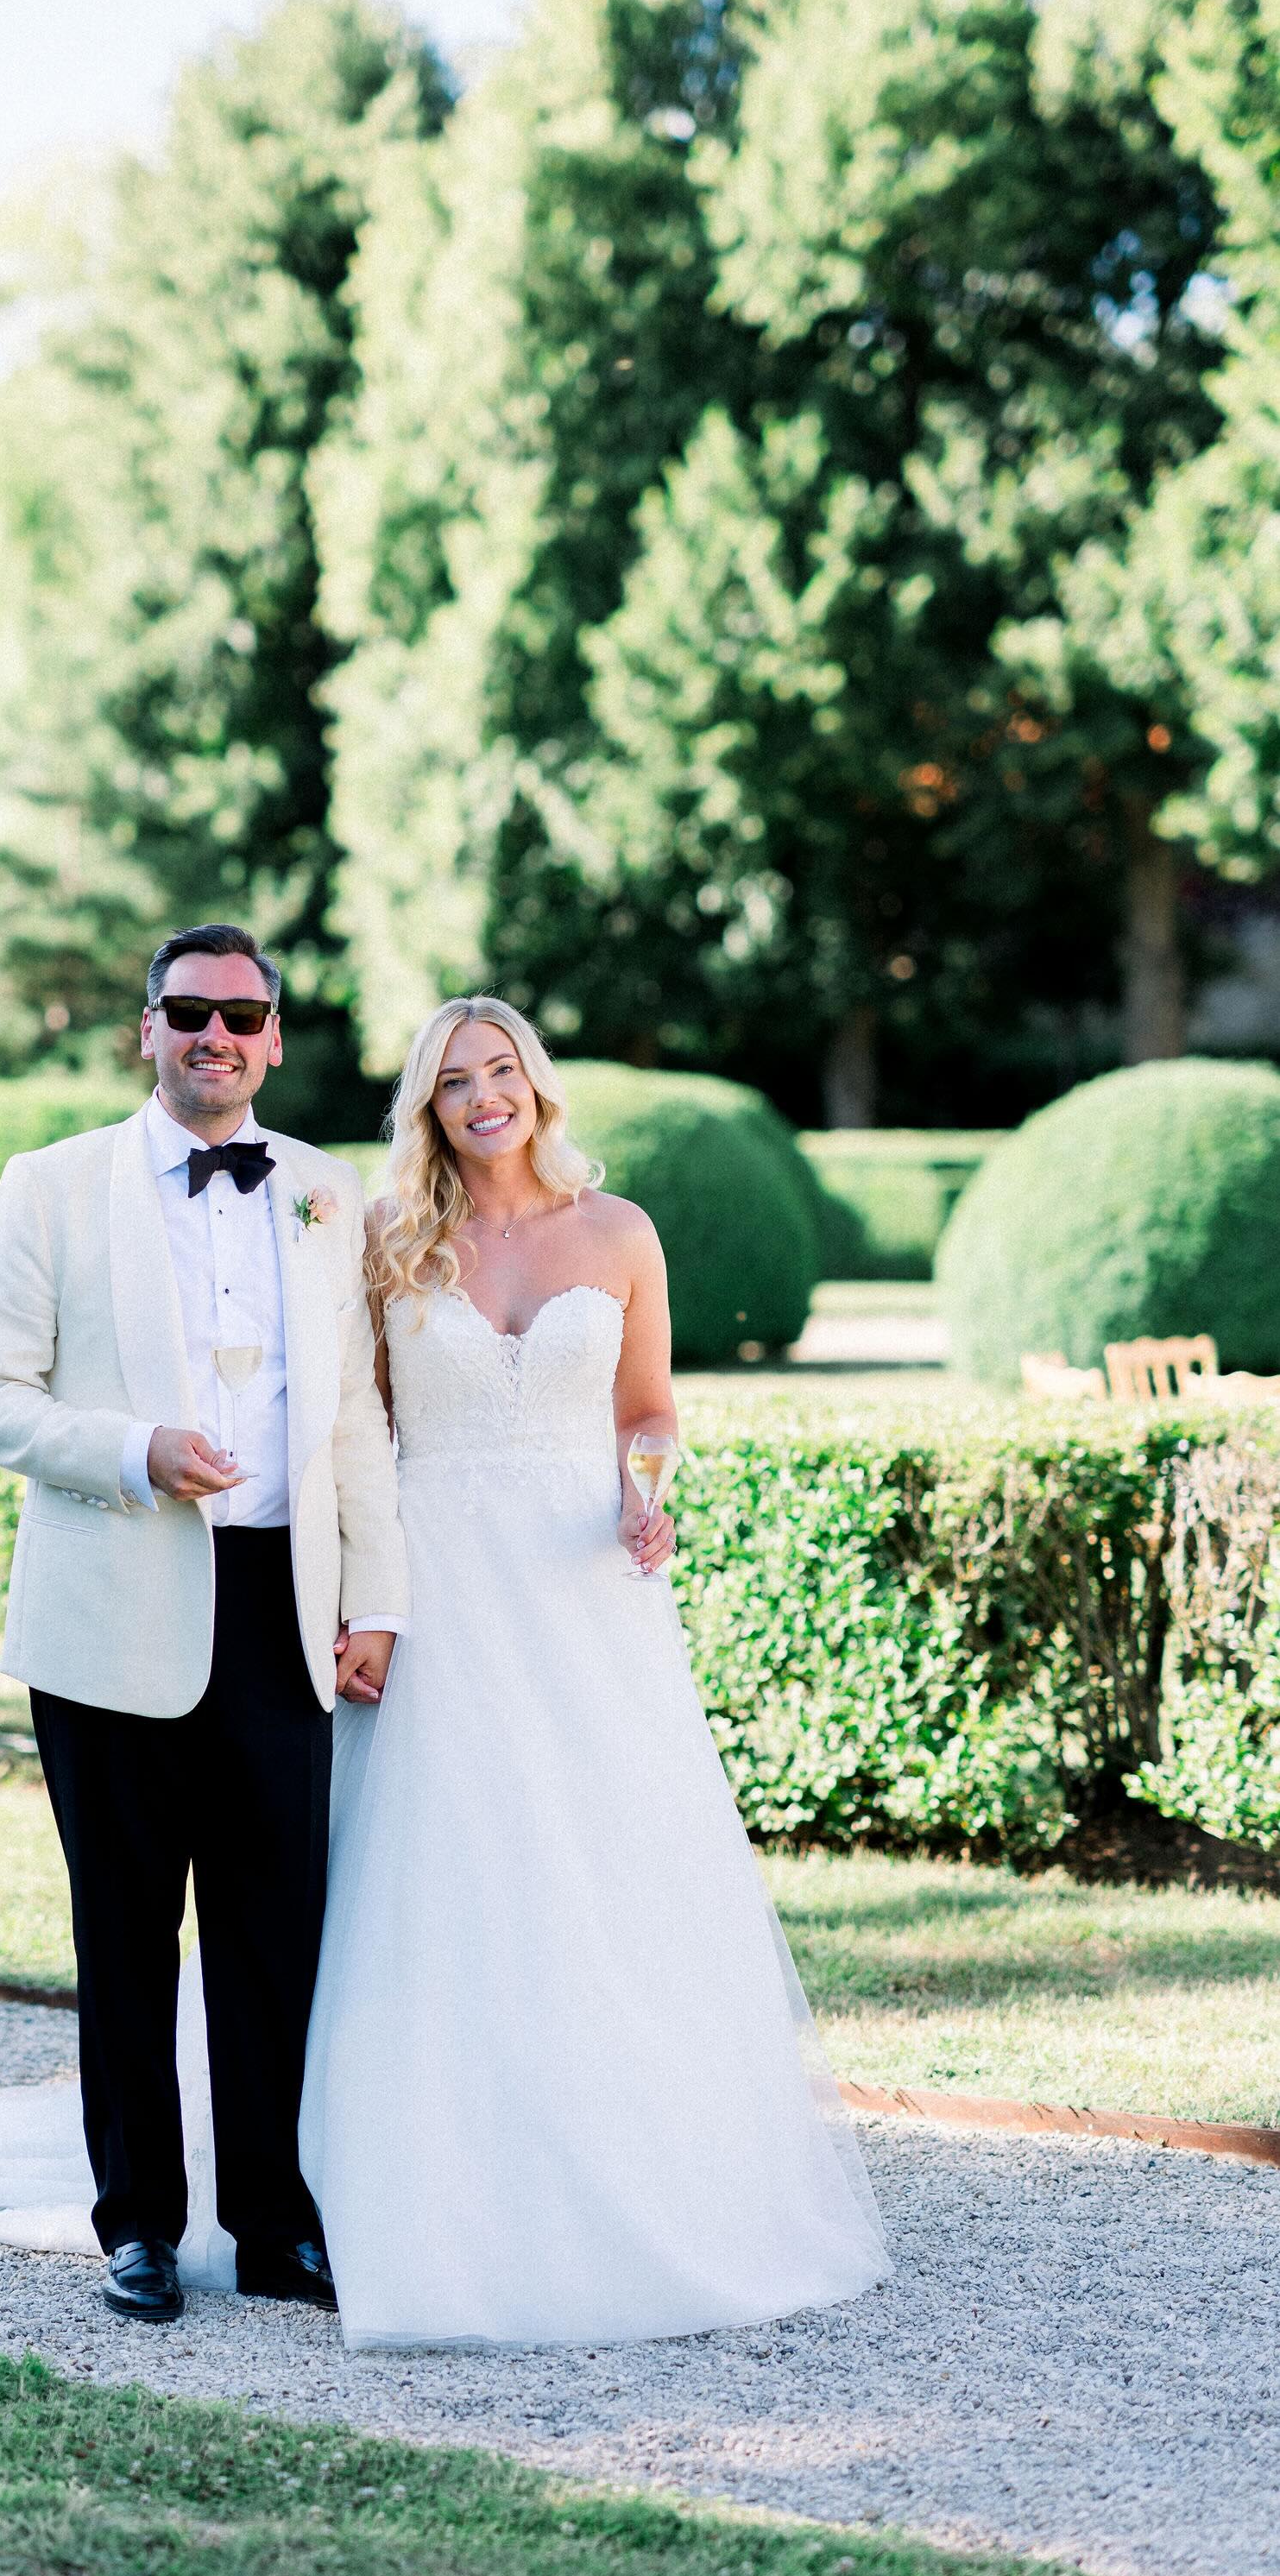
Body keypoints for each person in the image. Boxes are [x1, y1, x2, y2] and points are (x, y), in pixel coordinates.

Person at [300, 996, 890, 2347]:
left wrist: (644, 1491)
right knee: (434, 1865)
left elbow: (648, 1412)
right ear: (429, 1108)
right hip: (436, 1587)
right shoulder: (393, 1241)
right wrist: (358, 1596)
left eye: (501, 1070)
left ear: (536, 1084)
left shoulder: (620, 1235)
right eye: (456, 1082)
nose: (484, 1096)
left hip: (580, 1591)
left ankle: (625, 2159)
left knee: (599, 1863)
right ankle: (400, 2181)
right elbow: (360, 1434)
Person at [0, 925, 408, 2325]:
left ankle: (275, 2228)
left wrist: (375, 1597)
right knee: (128, 1938)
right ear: (145, 1030)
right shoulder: (51, 1187)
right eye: (189, 1012)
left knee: (278, 1941)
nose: (217, 1036)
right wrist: (136, 1449)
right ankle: (138, 2225)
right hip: (111, 1621)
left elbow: (351, 1421)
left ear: (274, 1039)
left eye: (243, 1015)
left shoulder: (329, 1194)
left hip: (285, 1614)